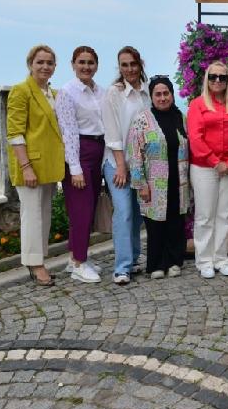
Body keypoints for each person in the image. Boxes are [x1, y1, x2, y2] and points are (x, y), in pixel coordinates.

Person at [6, 44, 65, 287]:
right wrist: (26, 166)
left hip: (49, 165)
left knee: (44, 215)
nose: (45, 66)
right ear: (30, 64)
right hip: (30, 165)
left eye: (49, 63)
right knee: (31, 216)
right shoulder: (22, 91)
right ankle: (34, 264)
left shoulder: (53, 93)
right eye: (40, 62)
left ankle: (40, 259)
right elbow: (15, 133)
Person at [187, 61, 228, 279]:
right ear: (207, 78)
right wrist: (215, 162)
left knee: (224, 214)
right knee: (205, 215)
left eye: (222, 77)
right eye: (213, 76)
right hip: (205, 168)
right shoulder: (197, 105)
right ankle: (204, 260)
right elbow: (195, 138)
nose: (217, 81)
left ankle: (221, 258)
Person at [127, 76, 189, 279]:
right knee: (155, 225)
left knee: (175, 222)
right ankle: (156, 265)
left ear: (171, 94)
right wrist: (140, 184)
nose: (162, 98)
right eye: (158, 94)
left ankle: (174, 261)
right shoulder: (142, 120)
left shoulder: (181, 117)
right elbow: (135, 155)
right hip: (154, 183)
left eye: (166, 93)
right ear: (151, 97)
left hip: (178, 182)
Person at [101, 46, 151, 285]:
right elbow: (111, 133)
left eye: (133, 64)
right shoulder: (114, 93)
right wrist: (121, 166)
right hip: (117, 162)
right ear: (119, 67)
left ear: (140, 64)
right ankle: (121, 267)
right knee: (124, 212)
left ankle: (133, 260)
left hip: (142, 164)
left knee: (138, 214)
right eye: (124, 65)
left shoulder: (148, 92)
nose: (129, 69)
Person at [55, 46, 105, 283]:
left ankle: (76, 257)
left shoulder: (99, 91)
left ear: (97, 65)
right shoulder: (67, 93)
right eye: (81, 62)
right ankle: (79, 263)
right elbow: (68, 130)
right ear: (73, 64)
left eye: (91, 62)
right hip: (79, 151)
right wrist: (74, 167)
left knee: (89, 207)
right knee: (81, 209)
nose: (86, 66)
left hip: (98, 149)